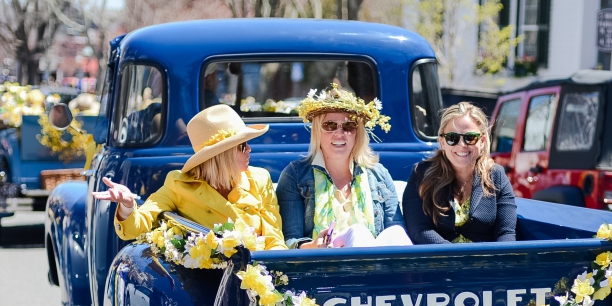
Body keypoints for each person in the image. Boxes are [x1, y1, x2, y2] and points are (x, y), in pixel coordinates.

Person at [92, 104, 287, 250]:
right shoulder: (178, 184)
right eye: (242, 145)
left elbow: (275, 240)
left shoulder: (260, 179)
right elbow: (136, 227)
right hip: (206, 287)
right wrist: (127, 204)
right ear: (222, 155)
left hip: (259, 279)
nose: (250, 150)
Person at [276, 84, 410, 249]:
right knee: (358, 233)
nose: (339, 133)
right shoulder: (295, 175)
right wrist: (313, 246)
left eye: (349, 126)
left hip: (376, 267)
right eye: (330, 126)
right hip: (320, 269)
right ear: (317, 130)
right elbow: (289, 242)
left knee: (395, 233)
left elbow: (395, 235)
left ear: (358, 132)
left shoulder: (379, 175)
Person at [402, 102, 516, 244]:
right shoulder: (421, 174)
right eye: (452, 138)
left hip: (486, 262)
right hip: (439, 263)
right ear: (442, 142)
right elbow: (419, 230)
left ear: (482, 141)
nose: (461, 144)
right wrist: (455, 257)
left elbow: (506, 233)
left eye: (470, 137)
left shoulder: (496, 175)